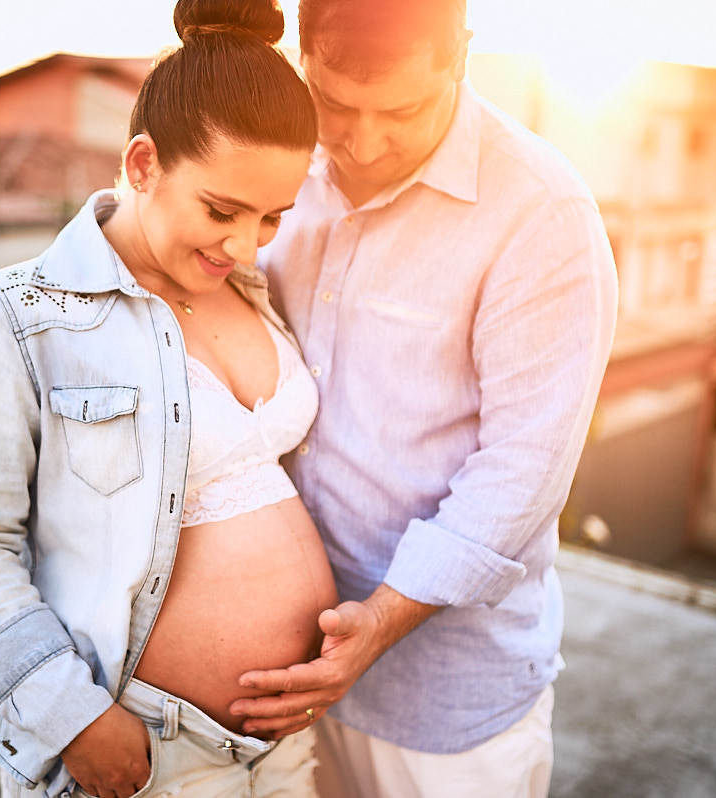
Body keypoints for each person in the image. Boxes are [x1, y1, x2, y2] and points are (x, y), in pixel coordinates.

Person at [0, 2, 336, 797]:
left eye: (271, 217)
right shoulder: (20, 316)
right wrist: (70, 717)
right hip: (145, 753)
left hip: (284, 747)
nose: (243, 243)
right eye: (221, 210)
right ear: (143, 164)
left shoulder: (252, 289)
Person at [230, 1, 619, 796]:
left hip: (446, 719)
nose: (361, 141)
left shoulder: (543, 215)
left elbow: (523, 470)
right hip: (279, 678)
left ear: (461, 56)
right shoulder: (275, 168)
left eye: (402, 112)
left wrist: (381, 619)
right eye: (333, 103)